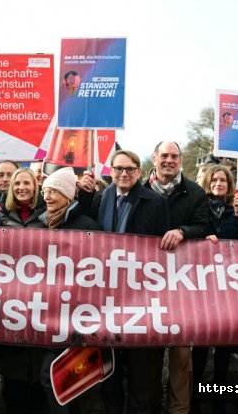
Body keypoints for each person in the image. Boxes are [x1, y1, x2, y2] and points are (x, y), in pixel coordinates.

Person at [78, 150, 171, 414]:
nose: (124, 174)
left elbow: (163, 246)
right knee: (110, 363)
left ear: (139, 172)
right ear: (111, 171)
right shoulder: (102, 197)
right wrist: (85, 195)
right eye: (118, 169)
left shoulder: (155, 201)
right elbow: (89, 231)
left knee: (139, 364)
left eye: (130, 169)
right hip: (106, 292)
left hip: (140, 293)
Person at [142, 141, 208, 414]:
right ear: (155, 159)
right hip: (146, 283)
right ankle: (153, 403)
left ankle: (180, 408)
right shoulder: (141, 191)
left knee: (182, 355)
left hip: (182, 283)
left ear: (181, 161)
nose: (169, 160)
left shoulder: (194, 192)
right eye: (164, 156)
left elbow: (205, 225)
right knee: (149, 352)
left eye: (175, 156)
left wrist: (182, 230)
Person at [37, 168, 102, 414]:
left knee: (53, 376)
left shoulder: (89, 226)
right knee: (61, 379)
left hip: (77, 314)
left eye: (54, 191)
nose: (48, 196)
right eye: (45, 191)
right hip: (47, 312)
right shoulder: (41, 224)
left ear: (68, 195)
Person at [197, 165, 238, 414]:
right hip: (203, 280)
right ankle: (196, 392)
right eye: (215, 179)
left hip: (229, 281)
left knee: (225, 340)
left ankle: (220, 391)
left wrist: (237, 217)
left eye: (223, 180)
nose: (218, 183)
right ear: (208, 182)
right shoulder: (200, 205)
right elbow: (198, 229)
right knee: (201, 341)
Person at [0, 166, 47, 412]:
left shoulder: (48, 216)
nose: (21, 188)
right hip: (9, 295)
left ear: (35, 187)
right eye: (17, 184)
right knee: (12, 348)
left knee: (37, 345)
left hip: (40, 294)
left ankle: (37, 391)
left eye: (27, 183)